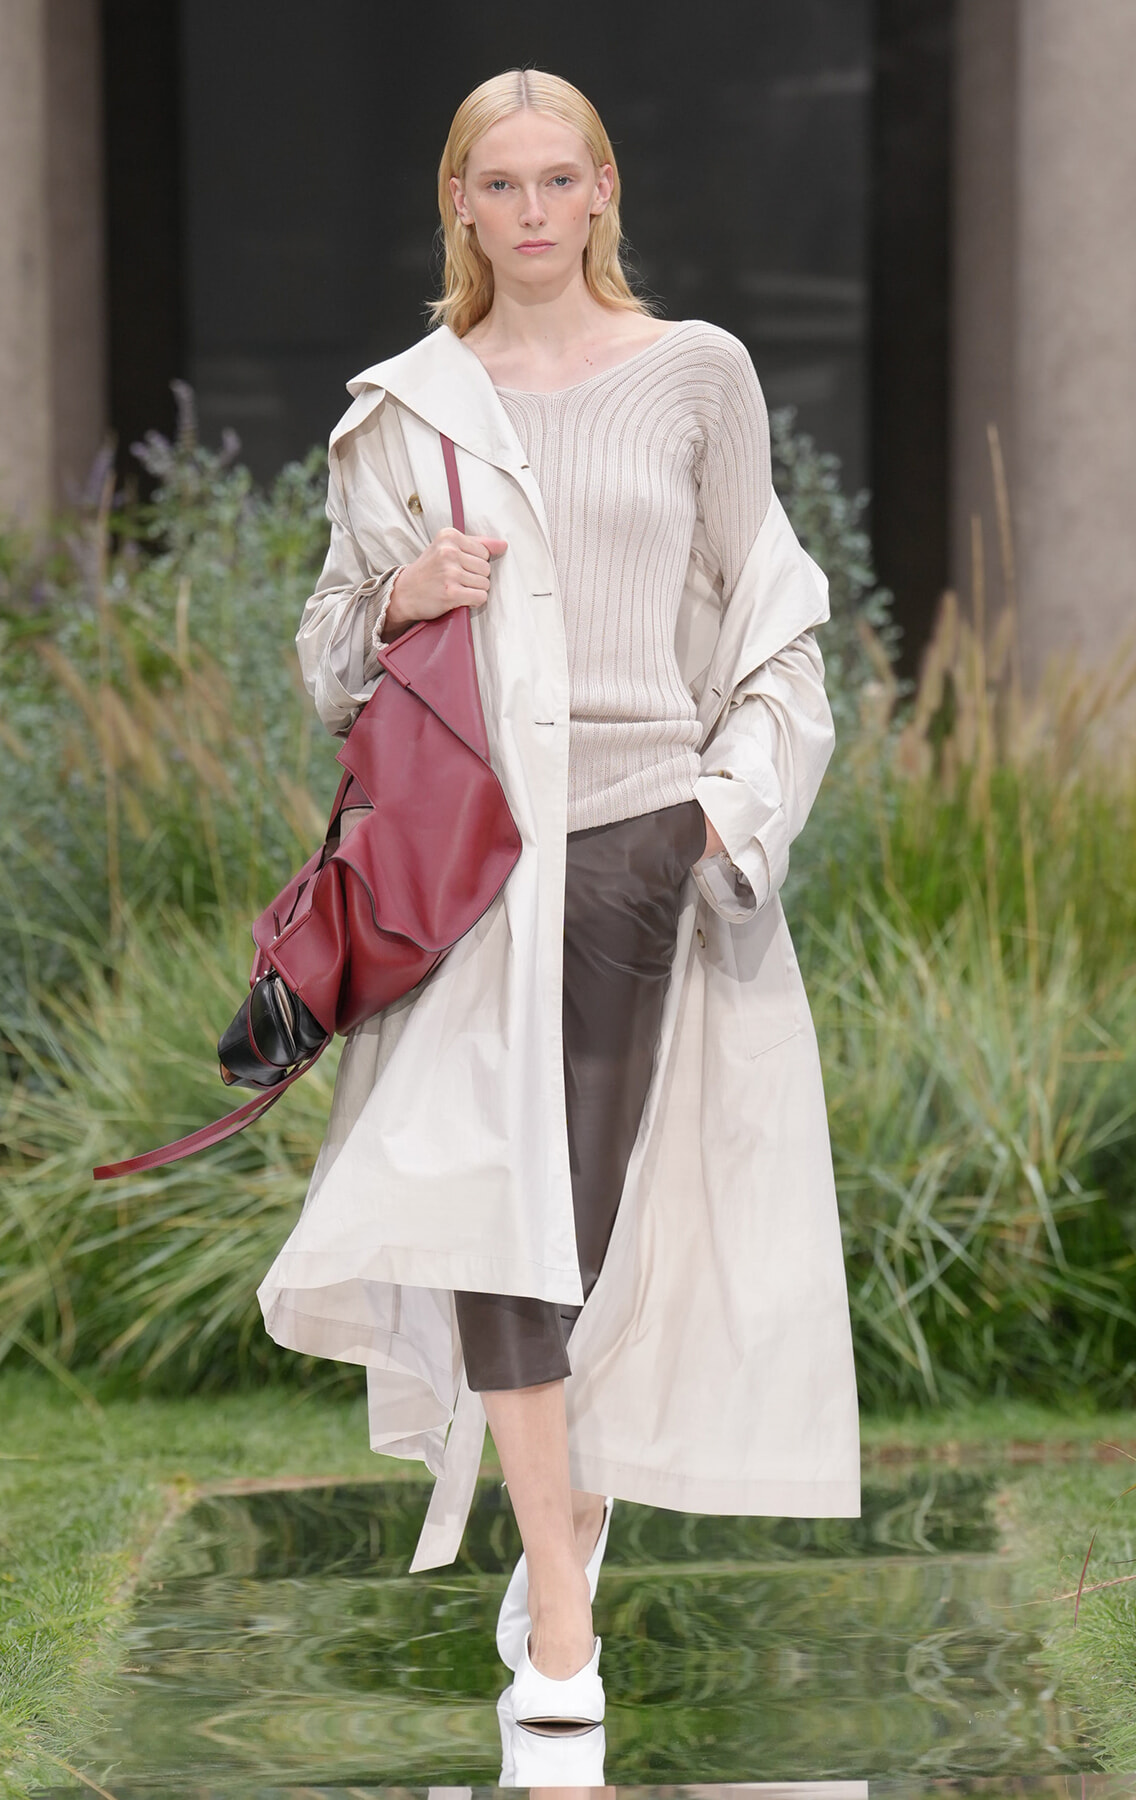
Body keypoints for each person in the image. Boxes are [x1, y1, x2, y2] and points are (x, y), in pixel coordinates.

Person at [257, 68, 860, 1733]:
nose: (530, 211)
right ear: (458, 203)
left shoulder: (695, 373)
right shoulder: (409, 408)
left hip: (633, 849)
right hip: (468, 858)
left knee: (572, 1222)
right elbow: (325, 658)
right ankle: (564, 1614)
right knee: (487, 1208)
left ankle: (572, 1507)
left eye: (557, 179)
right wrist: (400, 593)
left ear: (603, 191)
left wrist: (719, 818)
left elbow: (774, 618)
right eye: (498, 184)